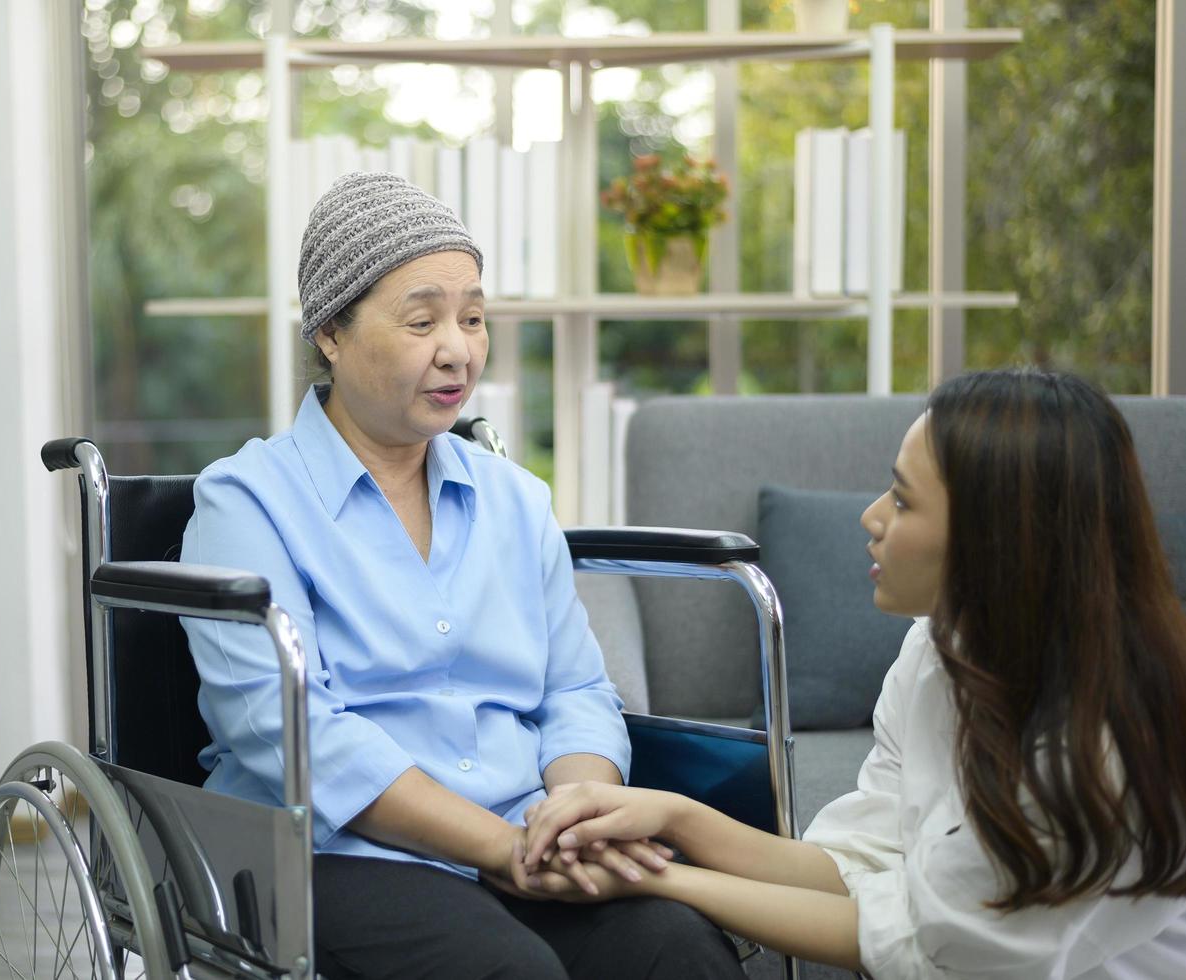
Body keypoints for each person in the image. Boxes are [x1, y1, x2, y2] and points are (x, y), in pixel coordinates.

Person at [179, 171, 744, 979]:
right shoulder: (245, 504)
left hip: (528, 833)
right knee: (507, 971)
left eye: (473, 318)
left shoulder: (513, 500)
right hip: (337, 852)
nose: (459, 349)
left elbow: (576, 692)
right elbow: (292, 732)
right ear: (331, 334)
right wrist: (501, 849)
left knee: (677, 948)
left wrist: (575, 816)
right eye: (422, 320)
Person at [519, 367, 1186, 976]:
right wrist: (671, 818)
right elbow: (856, 864)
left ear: (995, 536)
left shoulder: (1095, 747)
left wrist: (656, 879)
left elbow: (929, 953)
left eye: (901, 501)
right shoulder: (938, 649)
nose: (869, 518)